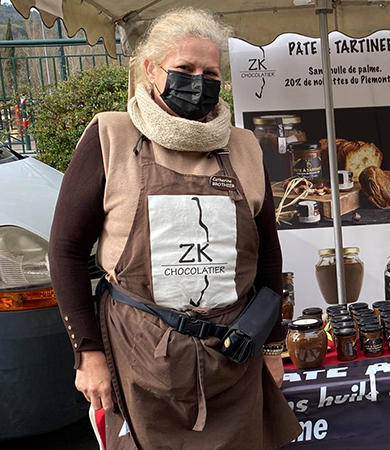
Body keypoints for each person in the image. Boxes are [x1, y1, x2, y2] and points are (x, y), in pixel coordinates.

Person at [48, 8, 301, 449]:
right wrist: (87, 354)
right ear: (151, 70)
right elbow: (66, 251)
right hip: (139, 359)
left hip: (233, 358)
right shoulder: (111, 136)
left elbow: (268, 257)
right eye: (184, 69)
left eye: (210, 73)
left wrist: (272, 347)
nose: (198, 81)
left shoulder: (243, 146)